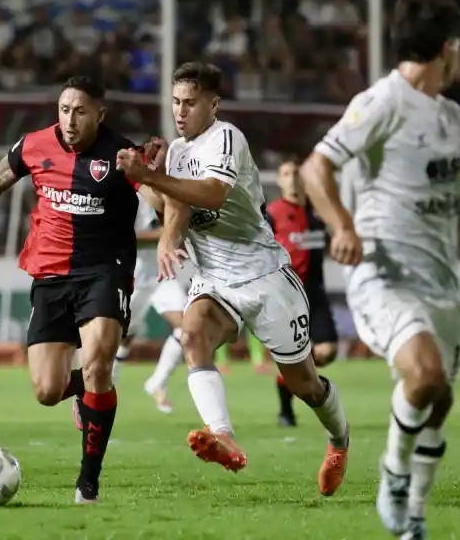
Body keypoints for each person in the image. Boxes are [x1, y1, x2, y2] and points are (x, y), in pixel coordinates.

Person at [116, 61, 350, 496]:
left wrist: (150, 176)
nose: (180, 111)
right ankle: (222, 434)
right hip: (215, 279)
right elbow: (175, 209)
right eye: (175, 102)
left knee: (305, 385)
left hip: (265, 276)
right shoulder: (178, 152)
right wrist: (141, 182)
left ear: (214, 104)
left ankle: (339, 440)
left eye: (190, 103)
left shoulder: (226, 137)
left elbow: (212, 194)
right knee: (192, 335)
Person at [0, 75, 162, 504]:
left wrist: (153, 173)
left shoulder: (122, 153)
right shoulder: (34, 145)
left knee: (98, 366)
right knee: (47, 391)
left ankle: (88, 482)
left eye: (80, 112)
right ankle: (85, 392)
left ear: (100, 115)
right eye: (64, 110)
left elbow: (161, 204)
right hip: (50, 276)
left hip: (104, 272)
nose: (70, 120)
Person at [300, 0, 460, 537]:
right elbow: (315, 168)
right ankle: (393, 472)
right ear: (447, 47)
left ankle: (414, 514)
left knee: (438, 398)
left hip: (443, 279)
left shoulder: (451, 117)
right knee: (425, 374)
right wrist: (343, 226)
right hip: (386, 271)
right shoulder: (383, 101)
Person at [266, 158, 339, 428]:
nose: (293, 178)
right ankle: (286, 410)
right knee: (297, 355)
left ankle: (292, 378)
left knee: (327, 351)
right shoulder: (272, 213)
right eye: (286, 173)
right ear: (279, 180)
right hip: (287, 296)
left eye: (296, 173)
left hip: (315, 293)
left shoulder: (318, 213)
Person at [109, 194, 191, 414]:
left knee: (186, 327)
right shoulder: (127, 195)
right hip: (133, 275)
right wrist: (163, 235)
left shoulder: (165, 190)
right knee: (123, 336)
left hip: (163, 272)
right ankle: (108, 386)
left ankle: (157, 382)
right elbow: (121, 236)